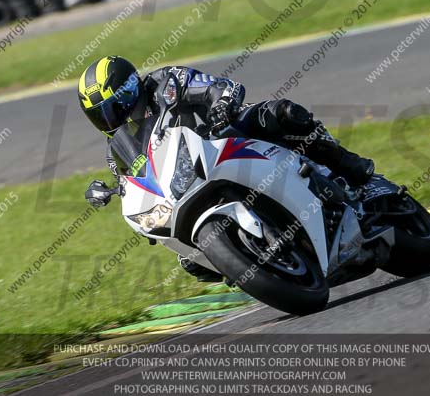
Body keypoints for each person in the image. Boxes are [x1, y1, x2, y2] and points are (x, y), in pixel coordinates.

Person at [79, 55, 374, 280]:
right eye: (101, 116)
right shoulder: (116, 149)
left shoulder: (165, 83)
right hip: (189, 183)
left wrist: (221, 103)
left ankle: (349, 167)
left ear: (131, 89)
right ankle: (258, 265)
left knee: (279, 114)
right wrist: (120, 195)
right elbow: (135, 182)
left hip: (225, 135)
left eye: (114, 107)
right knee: (191, 263)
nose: (112, 119)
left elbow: (217, 87)